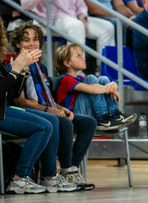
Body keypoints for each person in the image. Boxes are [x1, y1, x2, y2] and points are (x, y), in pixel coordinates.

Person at [0, 10, 77, 194]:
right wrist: (14, 71)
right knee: (43, 126)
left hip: (1, 109)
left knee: (52, 120)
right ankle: (19, 178)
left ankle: (49, 177)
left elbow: (11, 91)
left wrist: (21, 72)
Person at [7, 22, 94, 192]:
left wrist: (61, 108)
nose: (31, 43)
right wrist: (51, 111)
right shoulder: (15, 65)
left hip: (46, 108)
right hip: (26, 111)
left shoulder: (42, 67)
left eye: (35, 39)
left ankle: (70, 169)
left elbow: (47, 98)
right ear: (17, 44)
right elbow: (20, 101)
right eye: (26, 40)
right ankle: (56, 172)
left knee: (88, 122)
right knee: (59, 120)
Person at [53, 43, 137, 130]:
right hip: (73, 117)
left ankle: (114, 114)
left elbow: (99, 86)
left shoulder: (79, 78)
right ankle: (102, 117)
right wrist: (109, 88)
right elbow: (92, 89)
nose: (83, 59)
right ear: (67, 63)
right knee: (91, 78)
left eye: (82, 55)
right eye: (78, 56)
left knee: (103, 79)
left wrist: (112, 85)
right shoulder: (65, 79)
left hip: (85, 112)